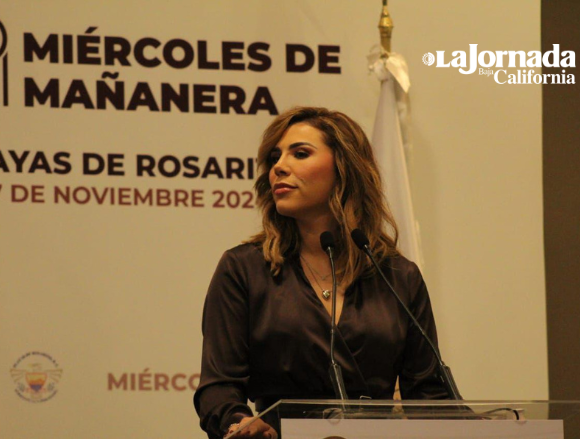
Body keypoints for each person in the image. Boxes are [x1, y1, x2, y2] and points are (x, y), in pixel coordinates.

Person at [194, 106, 449, 439]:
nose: (279, 167)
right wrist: (238, 421)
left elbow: (429, 395)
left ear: (344, 168)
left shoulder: (398, 276)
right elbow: (219, 387)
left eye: (300, 153)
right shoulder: (243, 269)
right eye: (275, 157)